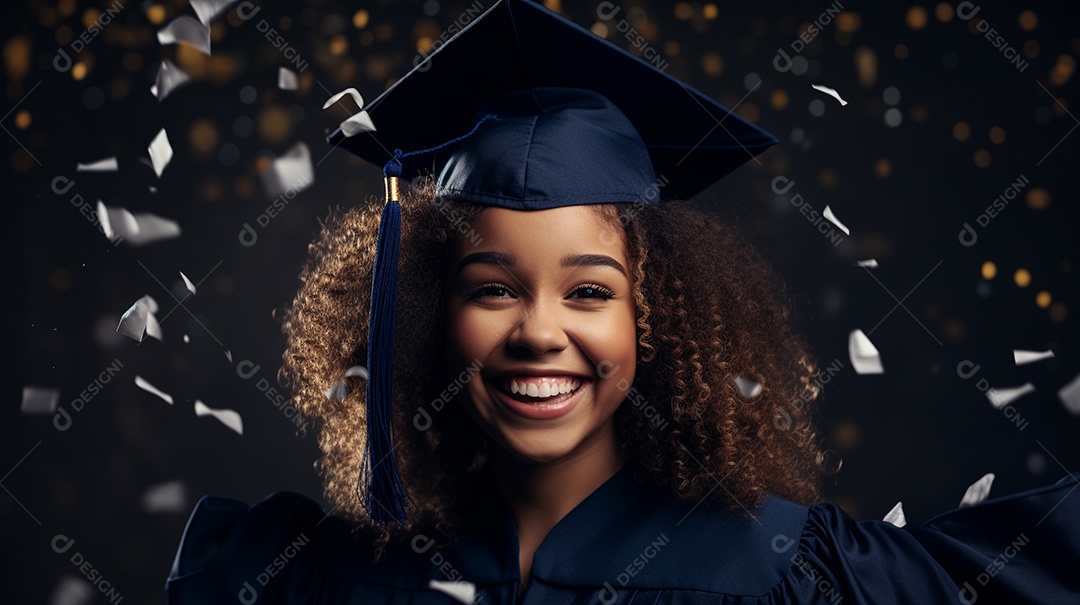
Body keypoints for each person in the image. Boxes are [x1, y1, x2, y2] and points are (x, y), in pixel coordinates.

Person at [165, 1, 1080, 603]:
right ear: (425, 318)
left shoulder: (778, 569)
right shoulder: (317, 574)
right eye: (492, 289)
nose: (539, 332)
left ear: (657, 315)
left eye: (590, 291)